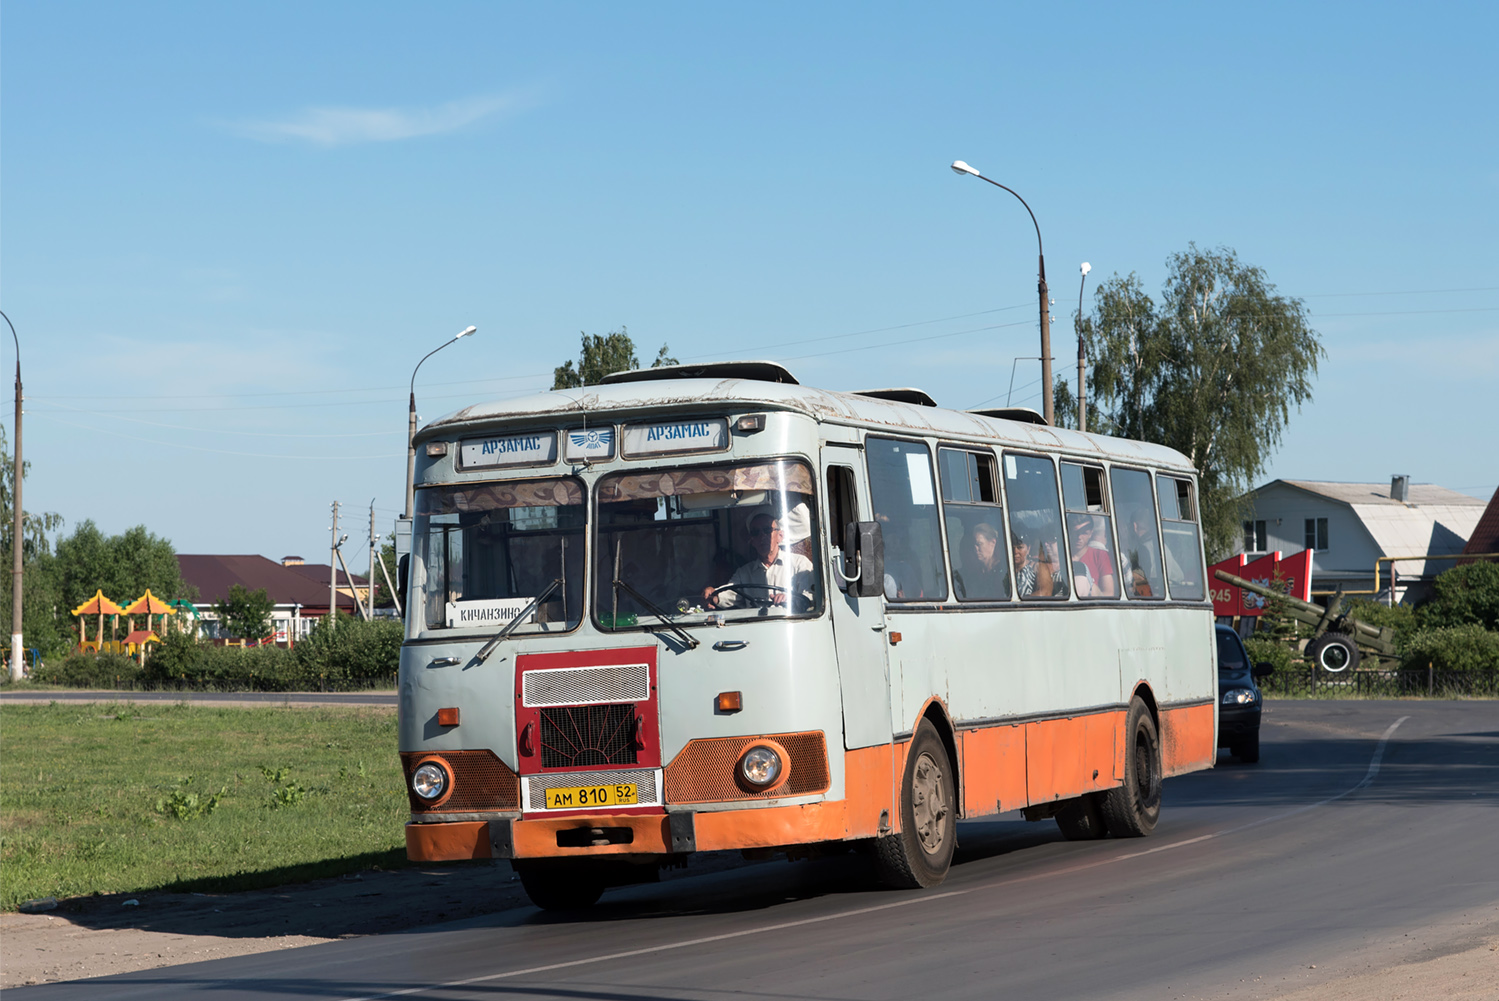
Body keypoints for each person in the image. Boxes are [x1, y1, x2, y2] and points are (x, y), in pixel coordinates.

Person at [704, 513, 815, 610]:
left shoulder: (800, 564)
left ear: (780, 536)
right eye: (756, 532)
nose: (762, 536)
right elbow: (728, 594)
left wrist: (791, 599)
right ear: (752, 541)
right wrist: (712, 595)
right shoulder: (744, 573)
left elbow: (810, 598)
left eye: (767, 530)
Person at [954, 522, 1009, 599]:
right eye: (974, 545)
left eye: (979, 544)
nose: (976, 549)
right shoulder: (976, 571)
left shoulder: (1002, 571)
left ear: (993, 542)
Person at [1068, 514, 1117, 598]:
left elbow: (1109, 594)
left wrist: (1091, 588)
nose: (1079, 537)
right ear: (1068, 532)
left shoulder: (1100, 555)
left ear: (1091, 533)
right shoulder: (1061, 557)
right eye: (1075, 532)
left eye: (1084, 533)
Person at [1119, 507, 1162, 598]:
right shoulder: (1162, 547)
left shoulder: (1141, 550)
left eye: (1128, 526)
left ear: (1134, 526)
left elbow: (1140, 584)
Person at [1012, 531, 1056, 598]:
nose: (1015, 552)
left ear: (1028, 548)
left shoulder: (1038, 567)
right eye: (1012, 548)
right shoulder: (1002, 569)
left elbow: (1045, 592)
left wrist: (1022, 602)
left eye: (1020, 547)